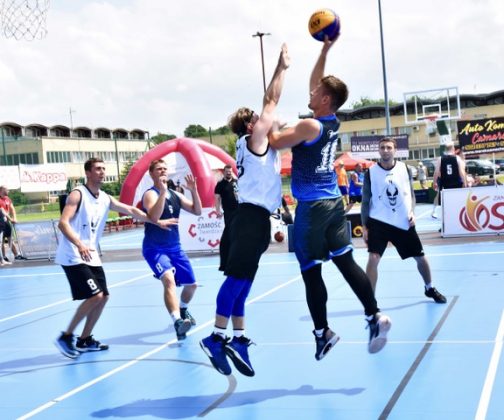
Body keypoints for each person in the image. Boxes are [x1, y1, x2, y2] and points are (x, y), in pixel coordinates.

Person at [269, 36, 391, 361]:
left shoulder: (309, 125)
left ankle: (322, 333)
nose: (309, 92)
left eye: (314, 92)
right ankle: (374, 315)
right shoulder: (331, 120)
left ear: (324, 99)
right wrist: (324, 50)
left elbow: (272, 141)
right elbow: (316, 83)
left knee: (310, 270)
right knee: (345, 260)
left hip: (312, 207)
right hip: (334, 204)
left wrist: (271, 116)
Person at [200, 43, 290, 377]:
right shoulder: (254, 142)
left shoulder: (251, 145)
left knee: (245, 280)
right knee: (238, 278)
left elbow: (271, 112)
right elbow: (271, 102)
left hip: (255, 218)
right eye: (258, 119)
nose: (263, 120)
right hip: (249, 219)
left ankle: (238, 338)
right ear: (251, 127)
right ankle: (216, 337)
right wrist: (281, 68)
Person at [53, 157, 165, 359]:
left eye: (104, 169)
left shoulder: (104, 197)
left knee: (103, 297)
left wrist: (155, 221)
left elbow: (130, 210)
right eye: (97, 169)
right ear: (87, 172)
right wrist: (79, 244)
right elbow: (63, 223)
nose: (102, 172)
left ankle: (84, 339)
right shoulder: (78, 194)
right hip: (73, 255)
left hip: (91, 255)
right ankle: (66, 336)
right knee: (95, 295)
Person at [361, 137, 447, 304]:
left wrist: (412, 212)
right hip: (378, 221)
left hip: (402, 221)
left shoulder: (405, 168)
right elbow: (365, 200)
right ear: (379, 150)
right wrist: (365, 226)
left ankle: (429, 288)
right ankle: (370, 300)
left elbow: (411, 195)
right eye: (382, 147)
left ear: (395, 150)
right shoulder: (370, 172)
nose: (385, 150)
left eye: (389, 147)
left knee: (420, 257)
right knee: (373, 258)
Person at [142, 161, 202, 341]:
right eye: (158, 169)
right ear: (151, 174)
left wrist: (193, 190)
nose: (162, 171)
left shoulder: (175, 194)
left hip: (175, 247)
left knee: (192, 285)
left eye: (164, 169)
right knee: (168, 280)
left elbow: (197, 211)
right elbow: (154, 216)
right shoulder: (150, 195)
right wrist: (161, 192)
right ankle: (177, 321)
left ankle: (183, 309)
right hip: (155, 248)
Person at [432, 142, 467, 219]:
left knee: (447, 205)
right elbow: (461, 171)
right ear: (453, 148)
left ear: (445, 149)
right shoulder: (457, 158)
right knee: (458, 204)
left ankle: (447, 222)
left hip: (446, 185)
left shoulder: (440, 159)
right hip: (456, 184)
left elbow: (436, 172)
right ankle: (458, 220)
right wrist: (465, 182)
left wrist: (434, 182)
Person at [214, 164, 239, 271]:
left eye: (230, 171)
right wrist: (218, 210)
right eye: (227, 172)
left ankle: (238, 254)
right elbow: (217, 198)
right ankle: (228, 256)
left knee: (239, 232)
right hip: (228, 212)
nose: (228, 173)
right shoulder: (220, 185)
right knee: (229, 232)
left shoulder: (236, 182)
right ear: (224, 172)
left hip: (239, 210)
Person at [0, 186, 26, 261]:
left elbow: (12, 208)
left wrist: (14, 218)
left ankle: (16, 255)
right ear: (2, 190)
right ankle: (3, 257)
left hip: (7, 222)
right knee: (1, 240)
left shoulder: (7, 199)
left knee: (10, 238)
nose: (8, 191)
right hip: (0, 222)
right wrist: (11, 219)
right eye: (7, 189)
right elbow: (3, 212)